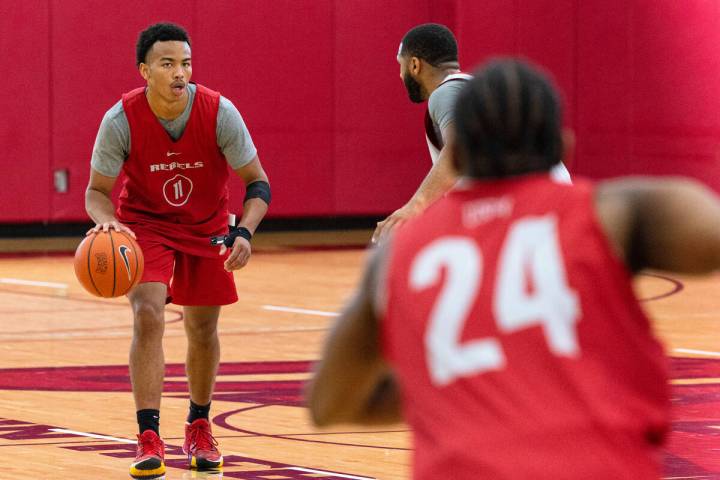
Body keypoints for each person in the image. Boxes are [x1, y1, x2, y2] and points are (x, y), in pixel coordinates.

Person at [308, 59, 720, 479]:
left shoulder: (396, 257)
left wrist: (461, 382)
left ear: (461, 152)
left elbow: (328, 404)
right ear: (563, 148)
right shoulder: (610, 213)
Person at [85, 23, 271, 478]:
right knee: (148, 313)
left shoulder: (219, 111)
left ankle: (199, 424)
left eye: (185, 63)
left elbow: (258, 183)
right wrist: (106, 221)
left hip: (207, 225)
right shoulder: (121, 119)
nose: (179, 73)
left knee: (202, 328)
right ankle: (148, 436)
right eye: (167, 64)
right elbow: (96, 191)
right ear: (144, 70)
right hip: (145, 224)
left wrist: (243, 233)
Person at [372, 24, 571, 243]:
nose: (400, 75)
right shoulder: (475, 90)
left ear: (415, 65)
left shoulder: (445, 93)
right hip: (548, 196)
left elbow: (459, 147)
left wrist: (414, 206)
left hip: (530, 204)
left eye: (401, 66)